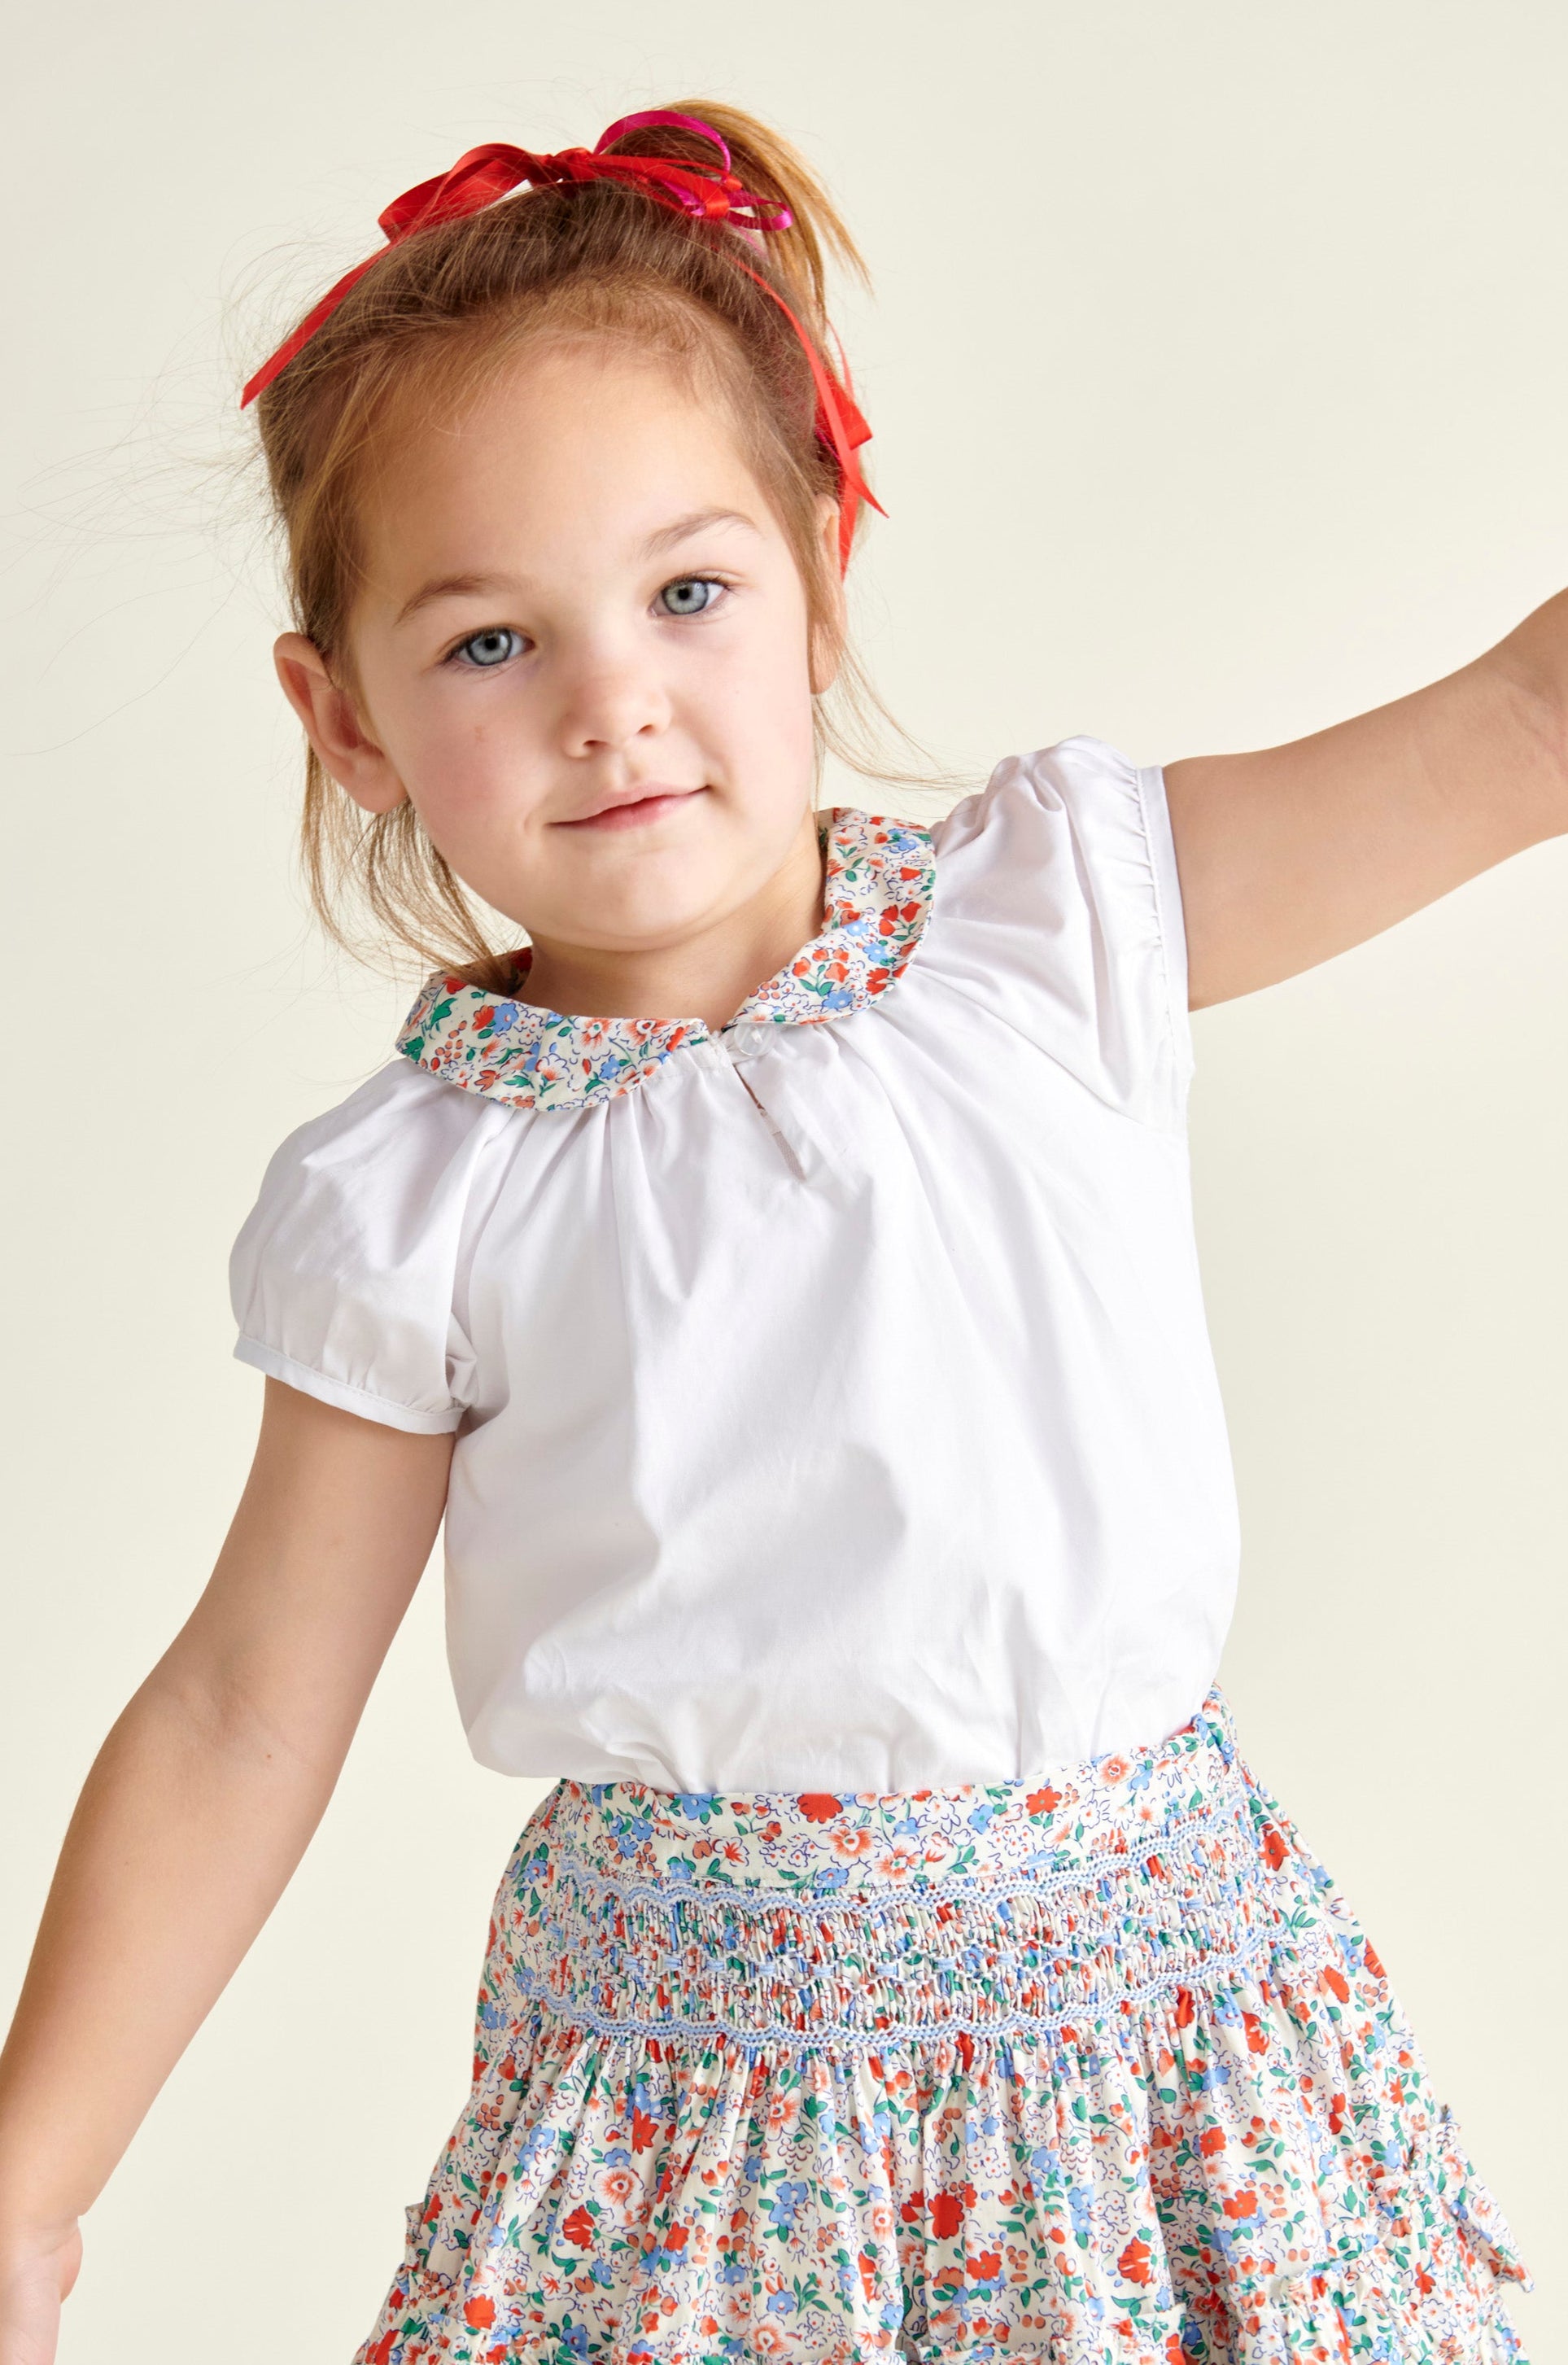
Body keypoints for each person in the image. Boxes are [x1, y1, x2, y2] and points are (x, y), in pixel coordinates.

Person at [0, 98, 1554, 2365]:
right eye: (487, 644)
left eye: (687, 591)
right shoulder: (426, 1190)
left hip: (1157, 2072)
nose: (613, 694)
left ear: (824, 573)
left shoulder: (1056, 930)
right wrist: (30, 2187)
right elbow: (245, 1708)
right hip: (695, 2154)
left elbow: (1521, 724)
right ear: (343, 724)